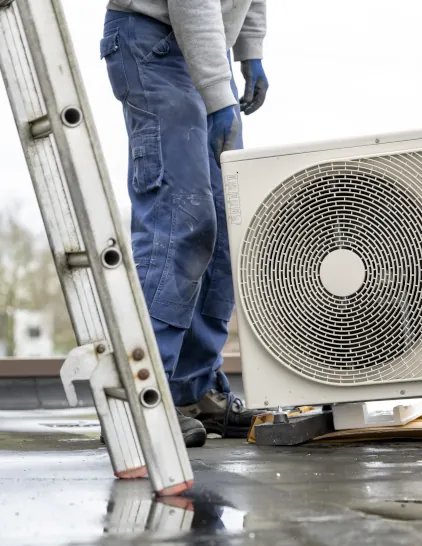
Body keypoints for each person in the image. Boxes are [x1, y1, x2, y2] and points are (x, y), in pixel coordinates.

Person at [100, 1, 269, 448]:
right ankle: (142, 395)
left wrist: (250, 49)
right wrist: (218, 90)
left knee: (227, 224)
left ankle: (193, 389)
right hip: (154, 41)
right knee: (181, 217)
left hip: (206, 45)